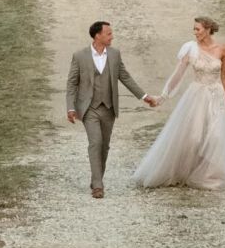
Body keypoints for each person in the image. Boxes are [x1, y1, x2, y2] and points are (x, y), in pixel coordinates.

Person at [132, 15, 225, 190]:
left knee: (216, 136)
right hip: (197, 95)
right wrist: (163, 96)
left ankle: (211, 174)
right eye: (194, 29)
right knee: (194, 136)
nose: (195, 32)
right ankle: (183, 170)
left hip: (216, 95)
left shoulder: (222, 49)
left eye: (198, 29)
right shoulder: (190, 49)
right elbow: (178, 74)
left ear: (207, 29)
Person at [66, 21, 158, 199]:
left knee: (104, 146)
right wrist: (70, 107)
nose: (112, 36)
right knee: (96, 143)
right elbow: (71, 83)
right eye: (108, 33)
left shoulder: (115, 55)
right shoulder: (79, 56)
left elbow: (125, 77)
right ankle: (98, 186)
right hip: (88, 108)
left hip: (109, 107)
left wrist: (144, 96)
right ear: (97, 36)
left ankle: (96, 178)